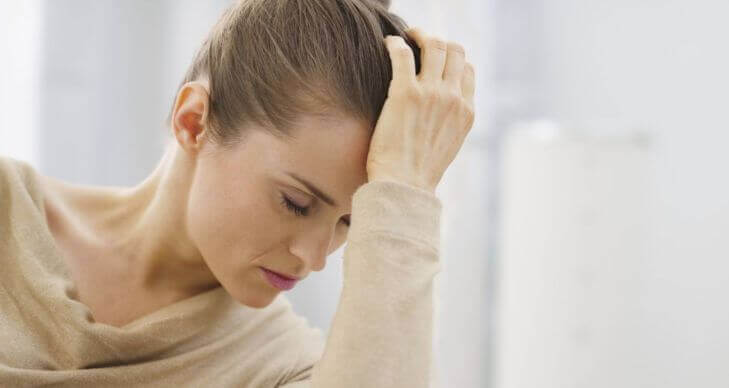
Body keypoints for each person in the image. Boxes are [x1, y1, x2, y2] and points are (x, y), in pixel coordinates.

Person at [0, 0, 475, 386]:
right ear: (194, 121)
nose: (314, 258)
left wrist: (405, 192)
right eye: (297, 203)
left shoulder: (282, 368)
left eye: (349, 222)